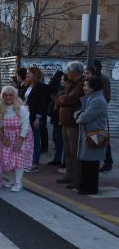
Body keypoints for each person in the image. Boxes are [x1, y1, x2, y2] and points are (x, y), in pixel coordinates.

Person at [0, 86, 34, 192]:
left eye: (10, 95)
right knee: (7, 159)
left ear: (14, 96)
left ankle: (18, 182)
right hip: (7, 136)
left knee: (18, 159)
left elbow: (26, 126)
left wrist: (20, 141)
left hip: (22, 136)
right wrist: (3, 137)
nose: (8, 97)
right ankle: (11, 179)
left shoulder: (22, 109)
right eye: (5, 95)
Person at [75, 77, 108, 194]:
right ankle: (85, 186)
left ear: (93, 87)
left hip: (95, 133)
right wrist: (79, 115)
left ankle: (91, 188)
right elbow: (80, 113)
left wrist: (78, 117)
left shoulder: (97, 100)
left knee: (92, 163)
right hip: (90, 133)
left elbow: (84, 117)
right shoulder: (92, 98)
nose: (84, 87)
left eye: (86, 85)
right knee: (87, 162)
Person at [55, 61, 85, 189]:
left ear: (74, 72)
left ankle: (78, 178)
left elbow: (71, 99)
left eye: (68, 71)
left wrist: (63, 99)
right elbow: (59, 97)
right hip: (65, 121)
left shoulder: (81, 84)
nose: (67, 73)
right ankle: (70, 174)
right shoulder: (70, 84)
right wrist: (63, 99)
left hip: (74, 123)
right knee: (67, 151)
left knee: (74, 152)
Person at [23, 67, 49, 172]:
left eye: (28, 73)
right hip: (26, 116)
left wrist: (38, 118)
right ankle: (29, 161)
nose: (27, 75)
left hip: (34, 117)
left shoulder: (42, 87)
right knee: (28, 141)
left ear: (34, 74)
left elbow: (43, 104)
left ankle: (35, 163)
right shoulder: (28, 86)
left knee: (35, 140)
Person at [94, 60, 113, 172]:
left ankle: (108, 161)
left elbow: (107, 96)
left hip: (99, 111)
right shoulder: (91, 78)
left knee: (101, 136)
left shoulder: (103, 79)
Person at [47, 71, 65, 166]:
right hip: (57, 116)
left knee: (60, 140)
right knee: (59, 139)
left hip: (59, 116)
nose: (62, 81)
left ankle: (59, 159)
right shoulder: (59, 88)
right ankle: (59, 159)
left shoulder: (61, 89)